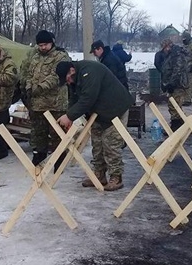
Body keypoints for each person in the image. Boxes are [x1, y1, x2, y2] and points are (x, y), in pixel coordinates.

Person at [55, 60, 134, 191]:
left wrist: (69, 116)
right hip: (99, 112)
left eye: (67, 79)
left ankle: (116, 177)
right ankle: (99, 175)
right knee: (97, 143)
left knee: (111, 143)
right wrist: (70, 116)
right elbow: (74, 98)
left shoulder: (89, 72)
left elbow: (87, 99)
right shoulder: (74, 77)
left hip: (116, 108)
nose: (68, 82)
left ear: (72, 71)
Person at [25, 30, 71, 167]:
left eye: (45, 44)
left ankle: (59, 160)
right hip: (37, 104)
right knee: (39, 133)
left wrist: (40, 87)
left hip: (55, 103)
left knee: (57, 134)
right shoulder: (35, 58)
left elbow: (57, 76)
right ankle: (40, 156)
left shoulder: (60, 57)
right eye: (40, 45)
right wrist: (28, 86)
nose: (42, 48)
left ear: (51, 43)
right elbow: (29, 74)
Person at [160, 38, 189, 131]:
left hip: (178, 84)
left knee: (175, 105)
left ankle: (176, 127)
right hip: (174, 84)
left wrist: (171, 84)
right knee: (174, 105)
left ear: (168, 46)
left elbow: (177, 71)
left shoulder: (177, 55)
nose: (164, 51)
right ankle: (180, 125)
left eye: (164, 48)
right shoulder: (171, 55)